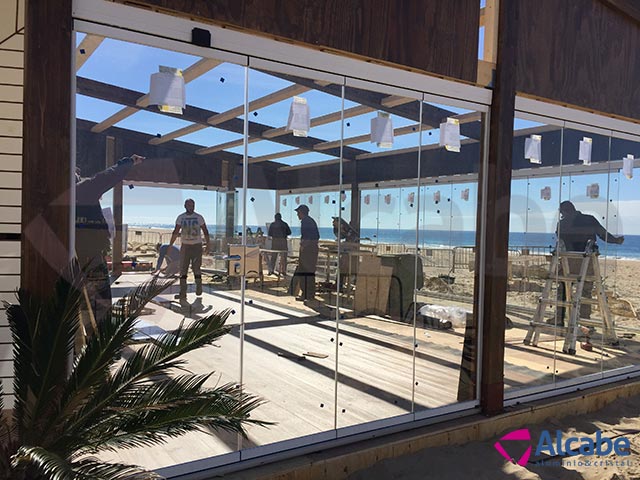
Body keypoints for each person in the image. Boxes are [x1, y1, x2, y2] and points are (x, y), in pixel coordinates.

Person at [75, 154, 144, 324]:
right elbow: (104, 178)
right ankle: (98, 342)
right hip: (89, 255)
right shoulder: (81, 190)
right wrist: (127, 162)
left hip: (74, 254)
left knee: (79, 305)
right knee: (100, 305)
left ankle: (80, 342)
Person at [554, 200, 624, 328]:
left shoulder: (562, 224)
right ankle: (584, 322)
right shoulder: (589, 219)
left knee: (563, 291)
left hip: (568, 260)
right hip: (586, 260)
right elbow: (603, 235)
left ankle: (559, 319)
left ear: (564, 211)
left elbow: (561, 241)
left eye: (562, 213)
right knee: (585, 292)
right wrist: (617, 240)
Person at [169, 199, 210, 300]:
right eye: (189, 205)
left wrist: (208, 244)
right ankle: (183, 293)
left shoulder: (199, 217)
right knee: (183, 269)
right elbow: (176, 231)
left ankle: (199, 286)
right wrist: (170, 244)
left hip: (196, 246)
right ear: (185, 206)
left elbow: (205, 231)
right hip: (185, 246)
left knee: (196, 268)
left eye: (193, 205)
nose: (191, 207)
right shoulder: (181, 217)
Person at [291, 205, 319, 300]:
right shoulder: (310, 221)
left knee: (304, 272)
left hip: (308, 250)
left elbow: (309, 237)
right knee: (309, 272)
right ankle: (309, 294)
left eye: (298, 213)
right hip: (311, 249)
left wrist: (303, 247)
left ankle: (306, 294)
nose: (297, 215)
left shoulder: (306, 221)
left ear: (302, 212)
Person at [332, 216, 360, 291]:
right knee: (341, 268)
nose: (333, 223)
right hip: (346, 251)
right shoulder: (339, 229)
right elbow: (340, 237)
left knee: (347, 269)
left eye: (334, 221)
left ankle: (341, 285)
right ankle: (339, 285)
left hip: (350, 251)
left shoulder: (349, 230)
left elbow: (352, 238)